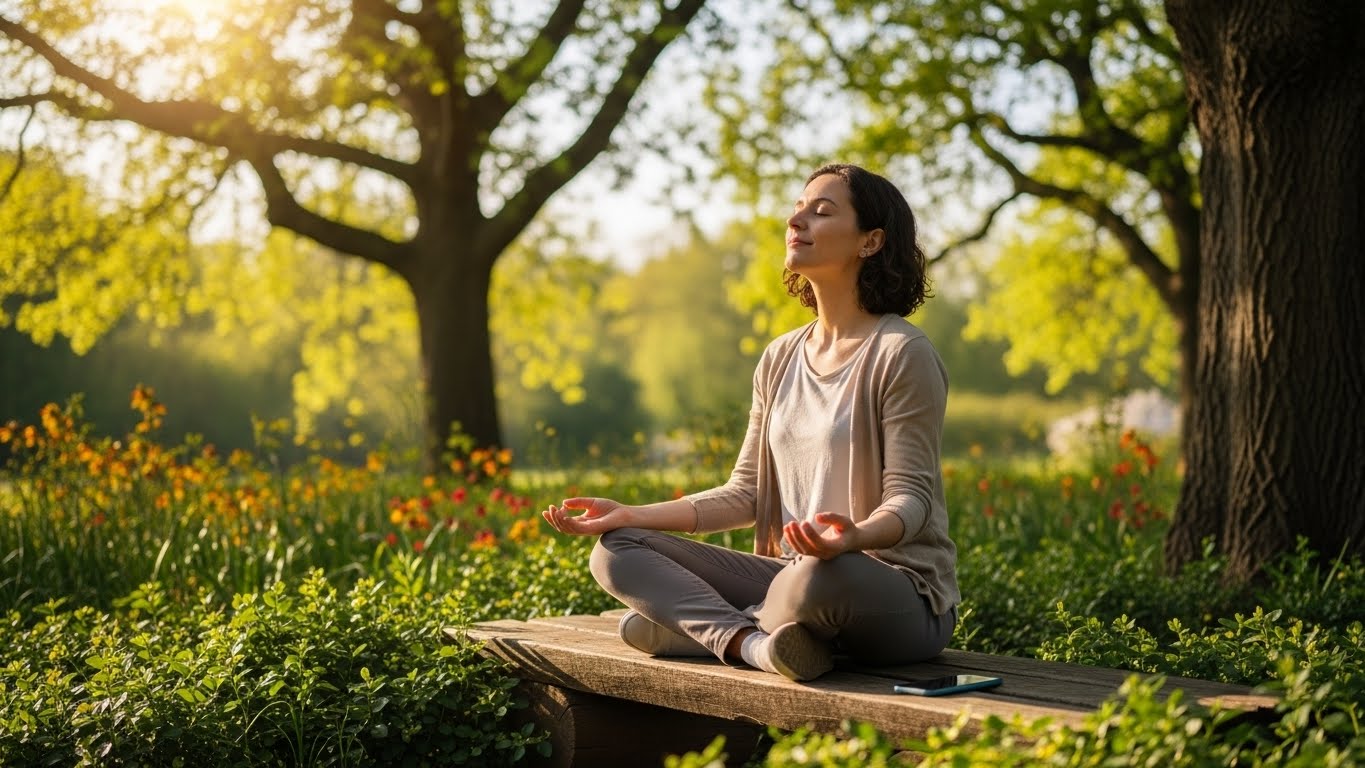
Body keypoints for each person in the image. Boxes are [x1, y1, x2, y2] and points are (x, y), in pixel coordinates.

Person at [541, 163, 958, 682]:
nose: (797, 218)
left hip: (889, 592)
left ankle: (702, 627)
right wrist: (630, 513)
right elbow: (746, 493)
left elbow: (911, 500)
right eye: (798, 208)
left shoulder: (902, 352)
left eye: (821, 211)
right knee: (618, 550)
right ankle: (755, 645)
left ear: (870, 242)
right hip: (789, 580)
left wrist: (854, 537)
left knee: (812, 579)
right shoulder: (781, 357)